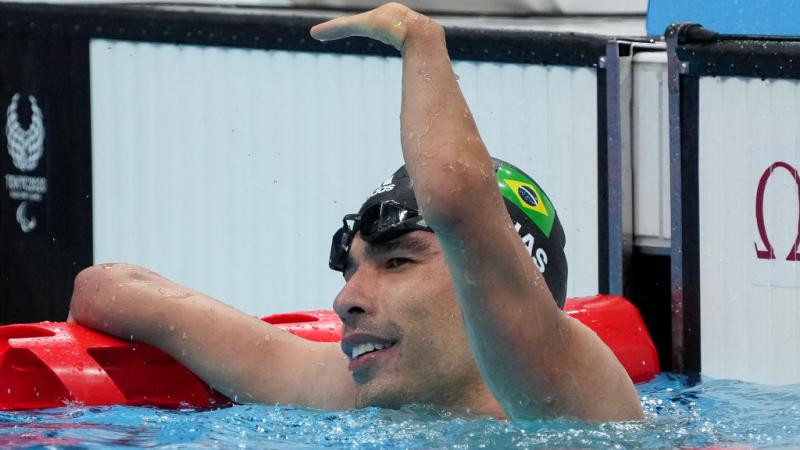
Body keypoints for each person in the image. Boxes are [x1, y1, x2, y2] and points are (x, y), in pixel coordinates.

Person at [68, 2, 642, 421]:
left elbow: (456, 199)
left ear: (502, 278)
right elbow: (107, 288)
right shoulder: (366, 389)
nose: (346, 300)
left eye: (397, 263)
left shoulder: (562, 396)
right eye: (352, 268)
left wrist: (420, 42)